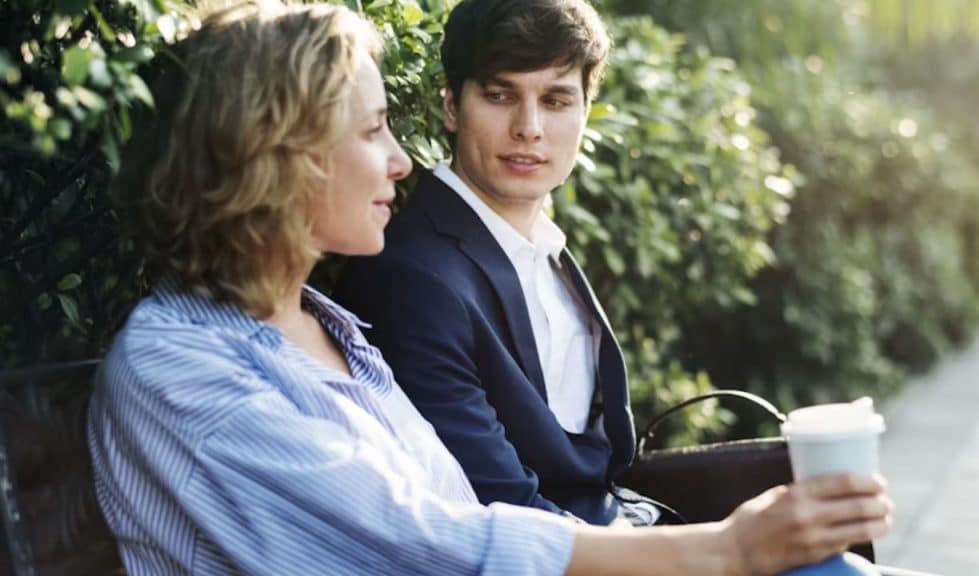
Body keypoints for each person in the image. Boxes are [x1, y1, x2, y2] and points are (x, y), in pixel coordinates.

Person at [87, 1, 892, 574]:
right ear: (276, 152)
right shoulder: (182, 369)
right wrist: (724, 550)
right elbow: (430, 543)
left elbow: (467, 519)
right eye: (374, 131)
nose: (401, 162)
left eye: (557, 100)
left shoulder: (327, 326)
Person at [334, 0, 642, 525]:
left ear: (586, 110)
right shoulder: (411, 278)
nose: (529, 128)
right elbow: (498, 511)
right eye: (500, 95)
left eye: (557, 100)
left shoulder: (543, 248)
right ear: (451, 105)